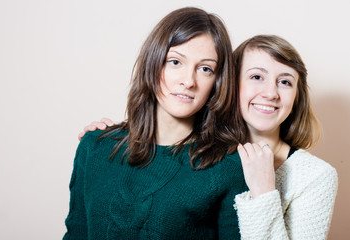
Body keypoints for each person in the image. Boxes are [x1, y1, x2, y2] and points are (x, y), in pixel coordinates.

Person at [81, 35, 338, 239]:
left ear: (296, 97)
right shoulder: (203, 157)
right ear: (228, 85)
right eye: (257, 77)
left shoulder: (315, 176)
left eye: (285, 82)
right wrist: (108, 136)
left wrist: (264, 192)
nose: (271, 93)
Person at [63, 7, 248, 240]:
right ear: (153, 62)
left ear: (217, 82)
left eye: (205, 69)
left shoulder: (227, 166)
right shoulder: (93, 146)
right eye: (175, 62)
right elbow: (76, 234)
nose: (188, 81)